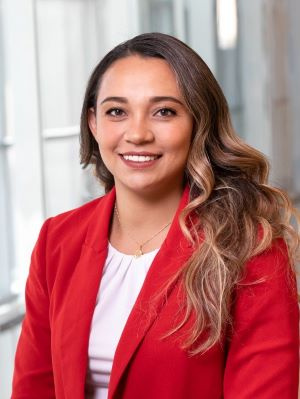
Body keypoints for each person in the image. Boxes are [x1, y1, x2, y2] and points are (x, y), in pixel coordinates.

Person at [12, 32, 299, 399]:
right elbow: (34, 388)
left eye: (164, 111)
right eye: (117, 111)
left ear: (198, 123)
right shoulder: (58, 239)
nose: (137, 133)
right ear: (93, 123)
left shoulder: (250, 248)